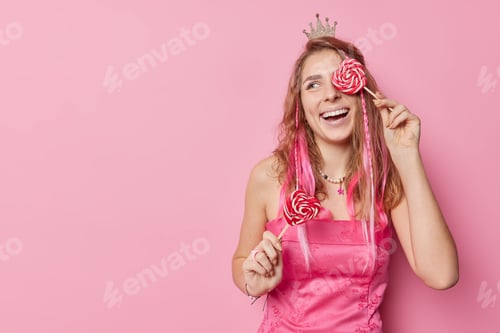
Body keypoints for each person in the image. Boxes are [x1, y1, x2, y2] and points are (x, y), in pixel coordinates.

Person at [231, 14, 459, 332]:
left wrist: (407, 155)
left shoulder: (384, 178)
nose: (330, 94)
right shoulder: (269, 176)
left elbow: (442, 274)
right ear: (300, 105)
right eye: (314, 84)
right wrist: (252, 281)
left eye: (340, 81)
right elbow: (241, 261)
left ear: (361, 94)